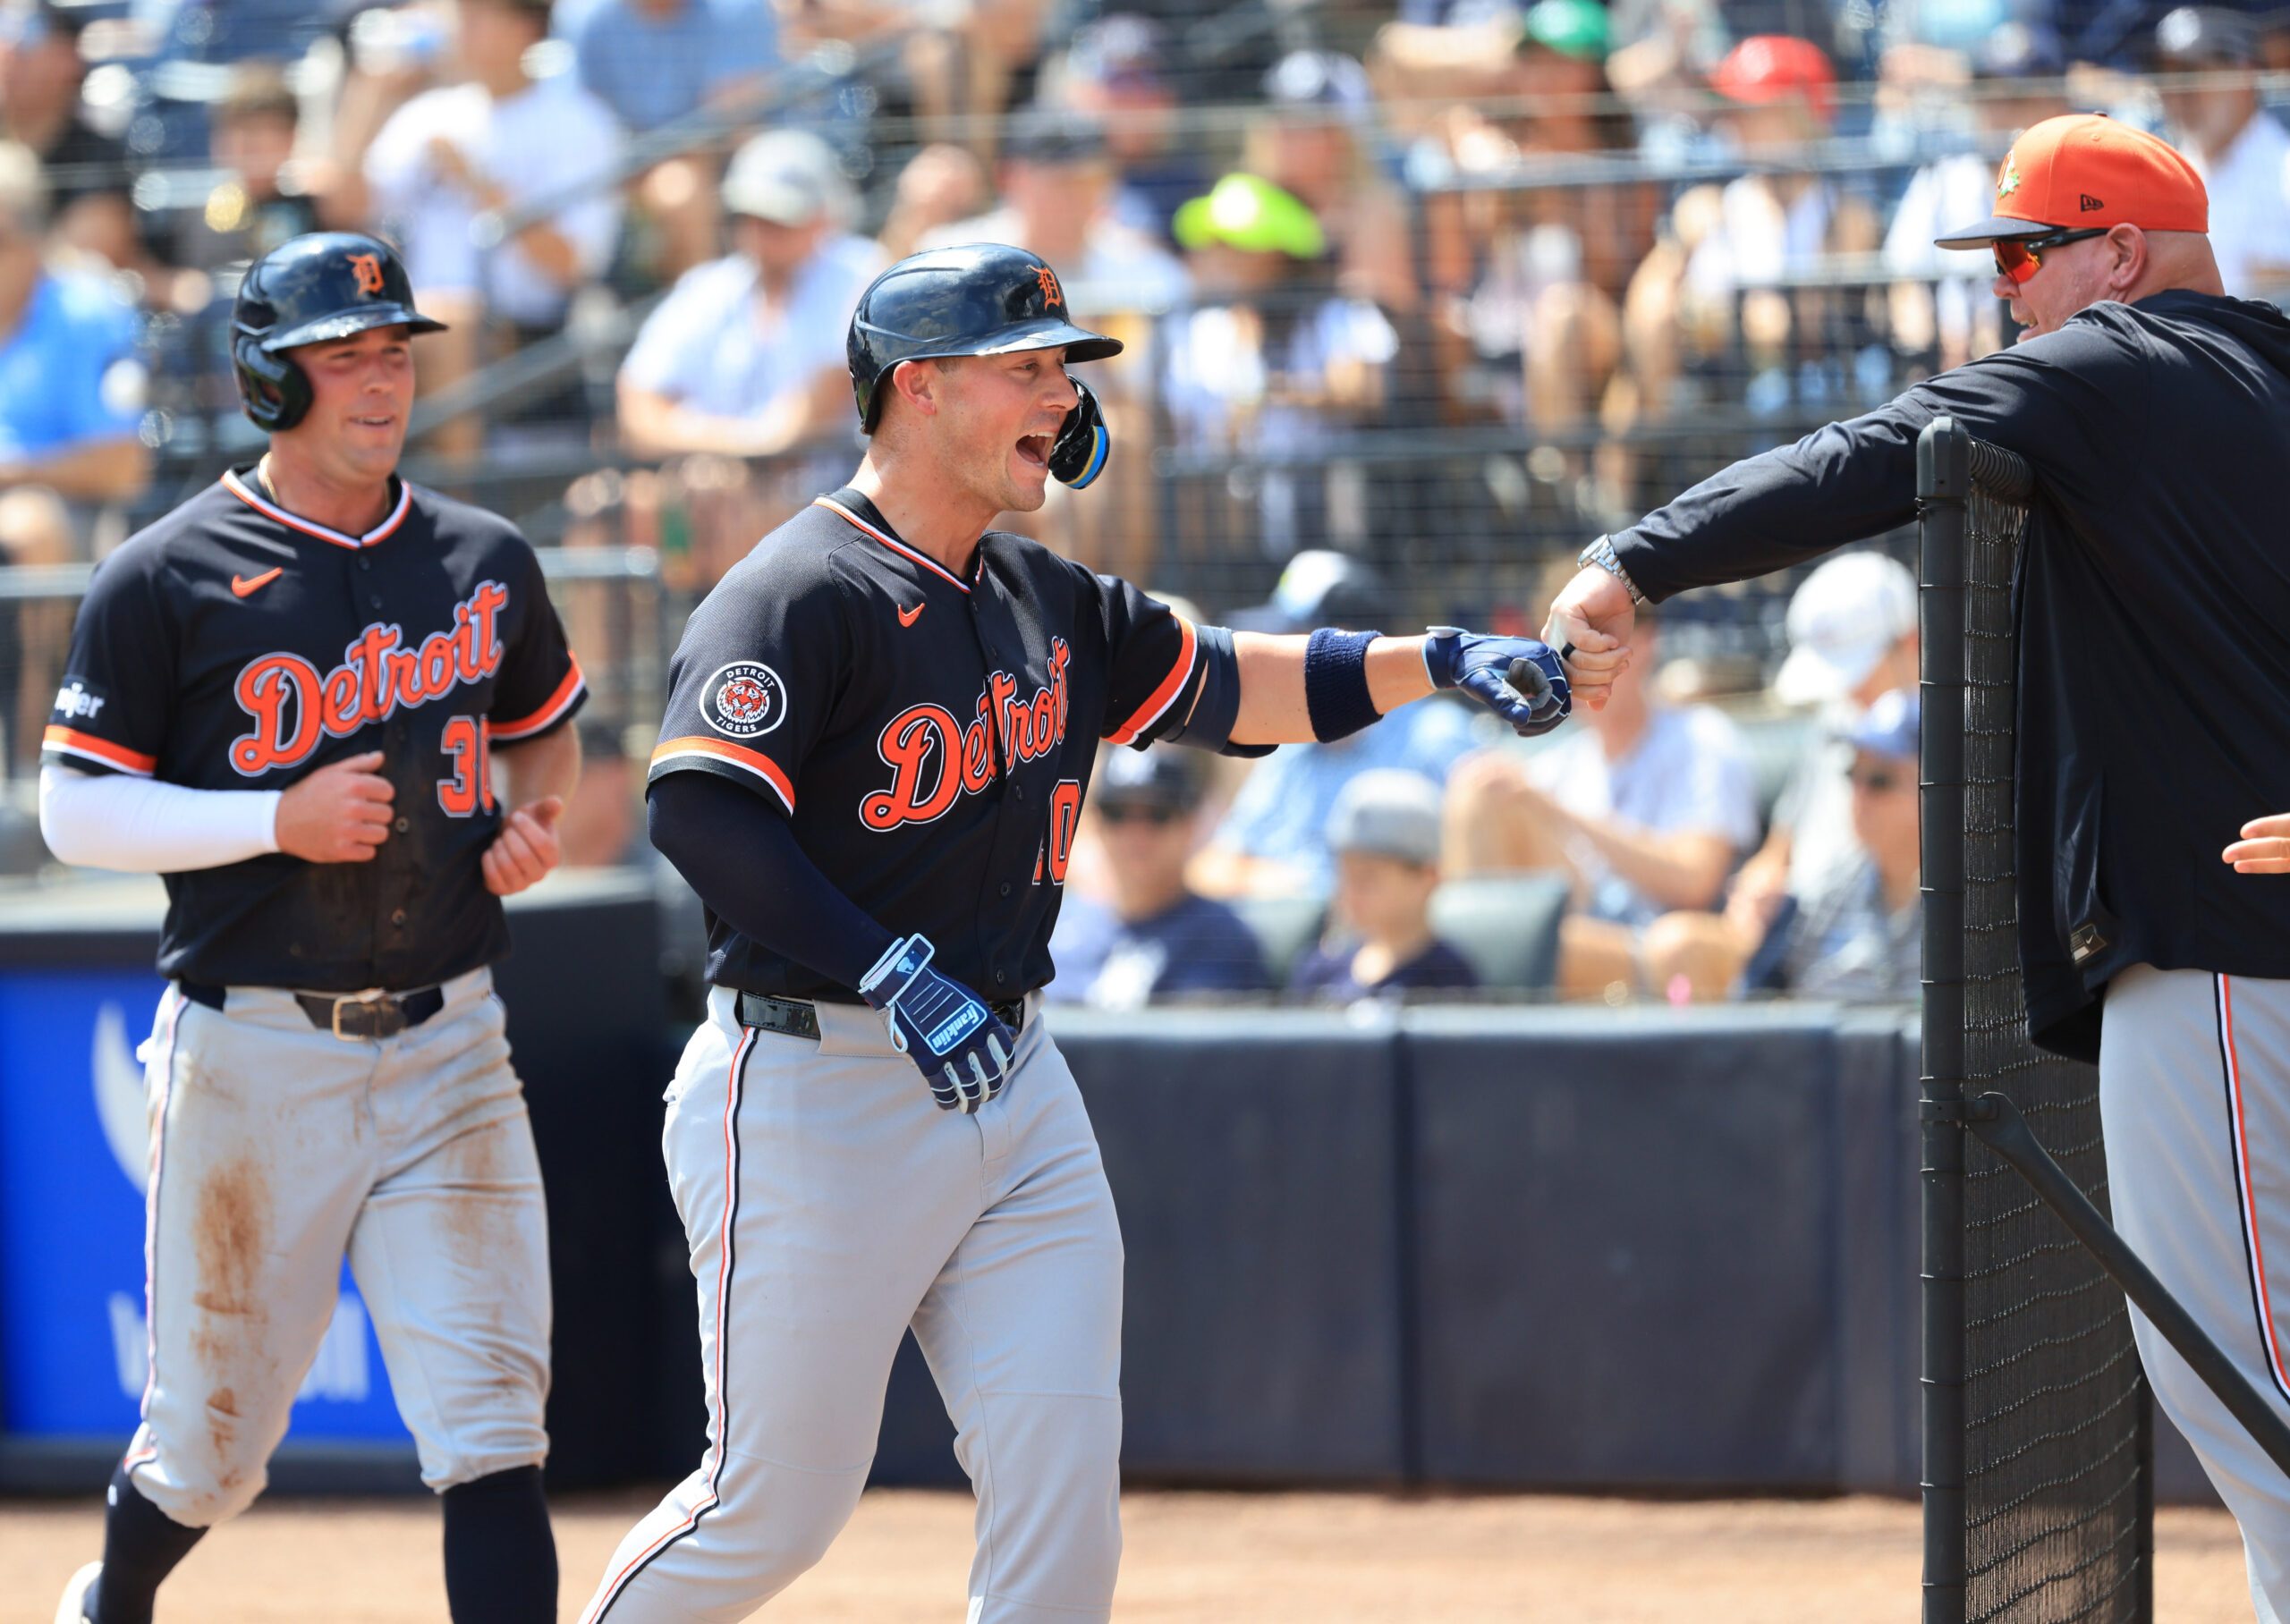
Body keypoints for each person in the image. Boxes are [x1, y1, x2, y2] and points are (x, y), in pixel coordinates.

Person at [581, 241, 1571, 1622]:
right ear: (919, 389)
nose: (1064, 395)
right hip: (819, 1083)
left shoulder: (1038, 591)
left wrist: (1436, 664)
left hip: (1014, 1082)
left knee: (1060, 1489)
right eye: (1030, 368)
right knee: (775, 1506)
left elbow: (1230, 684)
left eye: (1065, 369)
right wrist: (885, 967)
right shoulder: (796, 589)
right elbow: (701, 813)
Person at [1541, 112, 2290, 1617]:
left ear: (2120, 255)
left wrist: (1636, 556)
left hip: (2227, 946)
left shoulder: (2114, 367)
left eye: (2027, 252)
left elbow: (1876, 453)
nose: (2005, 287)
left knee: (2246, 1380)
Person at [41, 232, 584, 1624]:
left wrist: (534, 820)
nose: (380, 381)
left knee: (491, 1426)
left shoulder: (482, 555)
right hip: (254, 1056)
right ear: (266, 382)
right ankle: (113, 1601)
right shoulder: (167, 573)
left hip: (455, 1042)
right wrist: (267, 821)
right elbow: (74, 814)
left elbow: (545, 730)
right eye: (342, 357)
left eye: (394, 351)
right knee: (209, 1451)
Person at [1444, 605, 1760, 998]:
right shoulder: (1559, 762)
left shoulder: (1703, 739)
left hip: (1668, 953)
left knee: (1671, 946)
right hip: (1578, 935)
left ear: (1642, 645)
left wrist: (1554, 810)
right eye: (1553, 656)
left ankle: (1477, 988)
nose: (1563, 672)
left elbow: (1694, 883)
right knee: (1479, 787)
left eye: (1581, 652)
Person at [360, 0, 626, 456]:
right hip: (413, 326)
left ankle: (460, 509)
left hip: (521, 332)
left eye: (480, 14)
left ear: (527, 27)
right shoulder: (426, 113)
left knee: (450, 320)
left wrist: (477, 182)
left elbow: (571, 264)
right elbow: (342, 204)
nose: (462, 27)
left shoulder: (579, 122)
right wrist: (373, 89)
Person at [1193, 551, 1485, 899]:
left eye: (1292, 640)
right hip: (1296, 942)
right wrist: (1301, 894)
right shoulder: (1291, 744)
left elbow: (1478, 881)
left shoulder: (1437, 734)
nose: (1274, 656)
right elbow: (1211, 868)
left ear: (1344, 646)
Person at [1649, 687, 1924, 1001]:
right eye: (1852, 775)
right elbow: (1773, 1006)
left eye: (1879, 781)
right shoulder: (1829, 892)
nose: (1859, 796)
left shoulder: (1975, 901)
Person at [1047, 745, 1272, 1008]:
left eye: (1158, 815)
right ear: (1095, 821)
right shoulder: (1055, 926)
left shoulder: (1222, 939)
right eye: (1116, 813)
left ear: (1190, 825)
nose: (1135, 835)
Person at [1292, 768, 1479, 1002]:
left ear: (1428, 877)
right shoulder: (1320, 971)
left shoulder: (1448, 979)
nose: (1350, 892)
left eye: (1367, 877)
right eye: (1344, 875)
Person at [2152, 6, 2290, 299]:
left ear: (2245, 75)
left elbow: (2275, 312)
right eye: (2166, 76)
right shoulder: (2169, 165)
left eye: (2191, 75)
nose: (2175, 94)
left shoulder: (2283, 173)